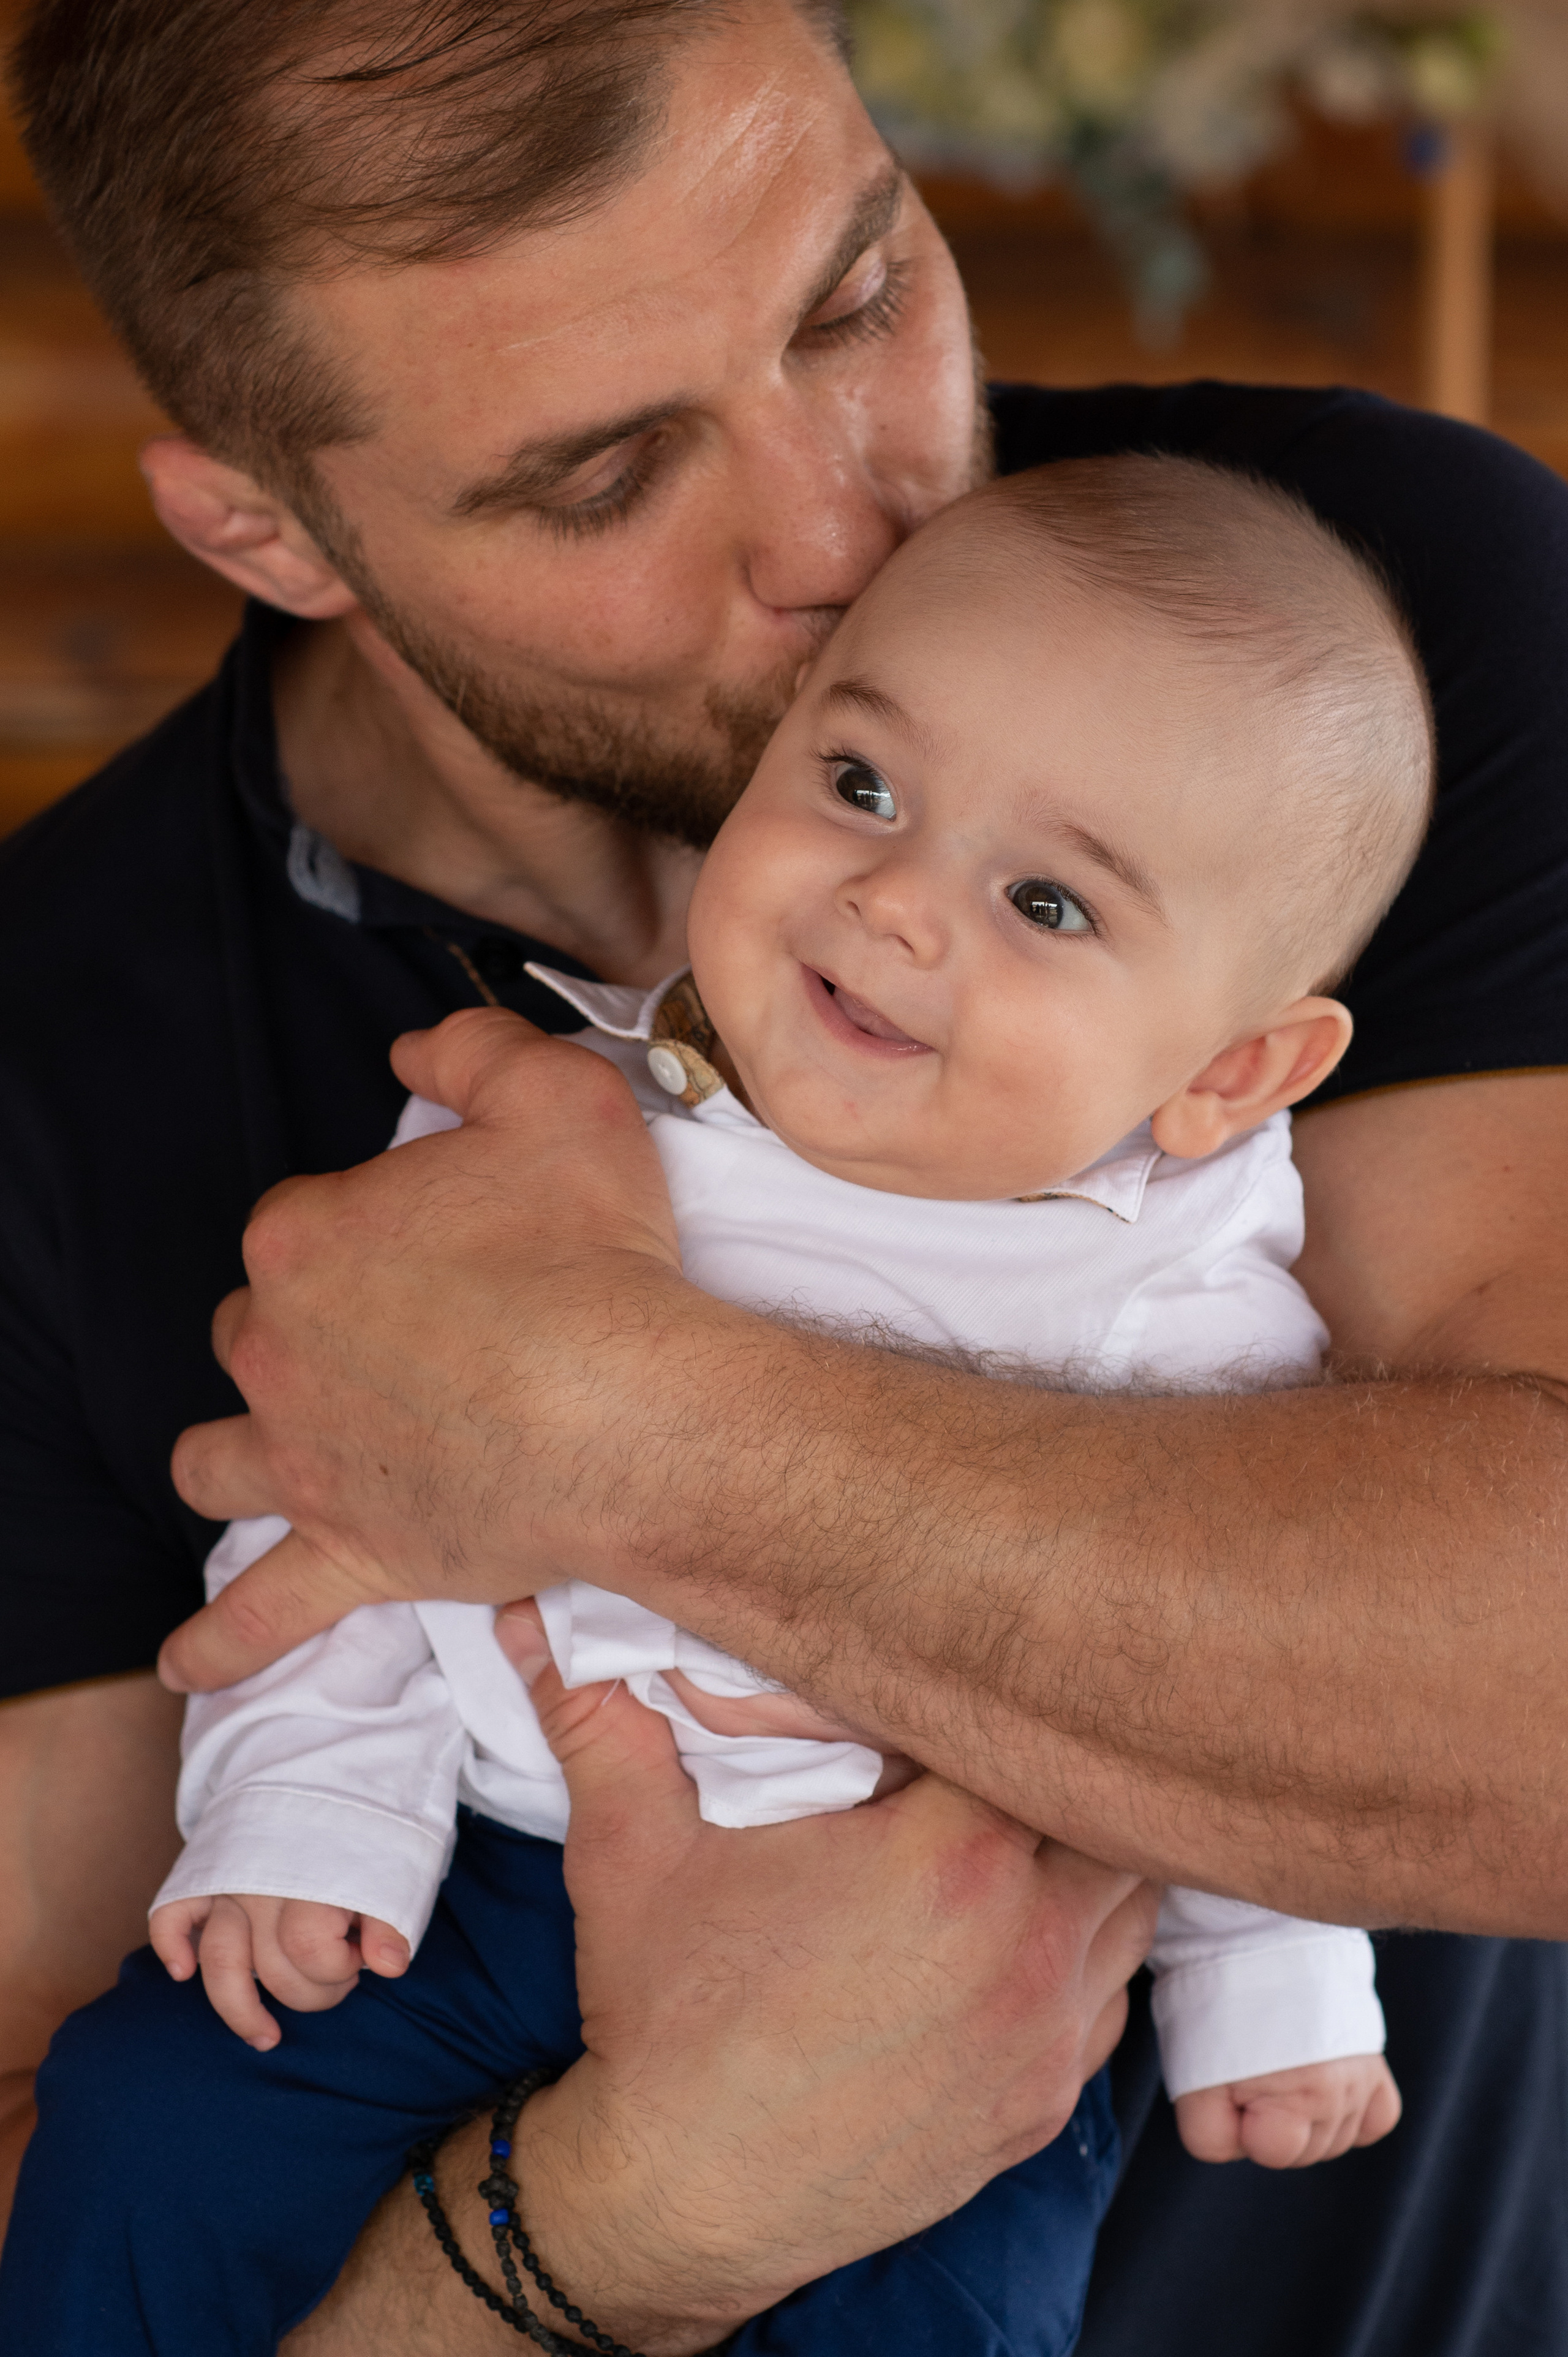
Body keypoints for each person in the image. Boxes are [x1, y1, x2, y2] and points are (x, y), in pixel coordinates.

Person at [1, 0, 1565, 2350]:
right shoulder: (42, 1060)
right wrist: (650, 2213)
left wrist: (602, 1424)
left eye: (856, 296)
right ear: (265, 527)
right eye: (603, 473)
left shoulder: (1348, 652)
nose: (856, 528)